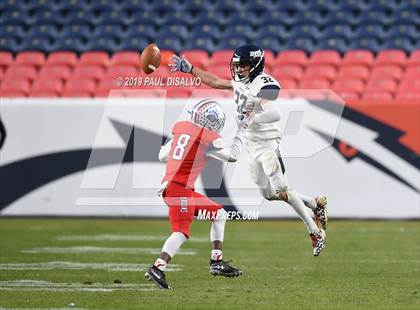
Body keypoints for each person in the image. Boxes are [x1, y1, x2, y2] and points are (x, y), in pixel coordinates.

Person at [169, 45, 328, 257]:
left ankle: (315, 232)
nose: (239, 70)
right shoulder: (241, 83)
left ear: (255, 66)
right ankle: (314, 203)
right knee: (270, 194)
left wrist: (251, 119)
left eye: (243, 66)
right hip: (252, 146)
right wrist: (190, 69)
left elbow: (274, 114)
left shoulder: (262, 83)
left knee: (282, 189)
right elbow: (215, 82)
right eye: (238, 66)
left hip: (268, 144)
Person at [145, 99, 248, 289]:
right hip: (179, 189)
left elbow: (162, 155)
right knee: (181, 231)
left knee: (219, 213)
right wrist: (241, 130)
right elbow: (233, 156)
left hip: (176, 187)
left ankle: (217, 262)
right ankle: (157, 267)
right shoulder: (209, 137)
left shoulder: (181, 127)